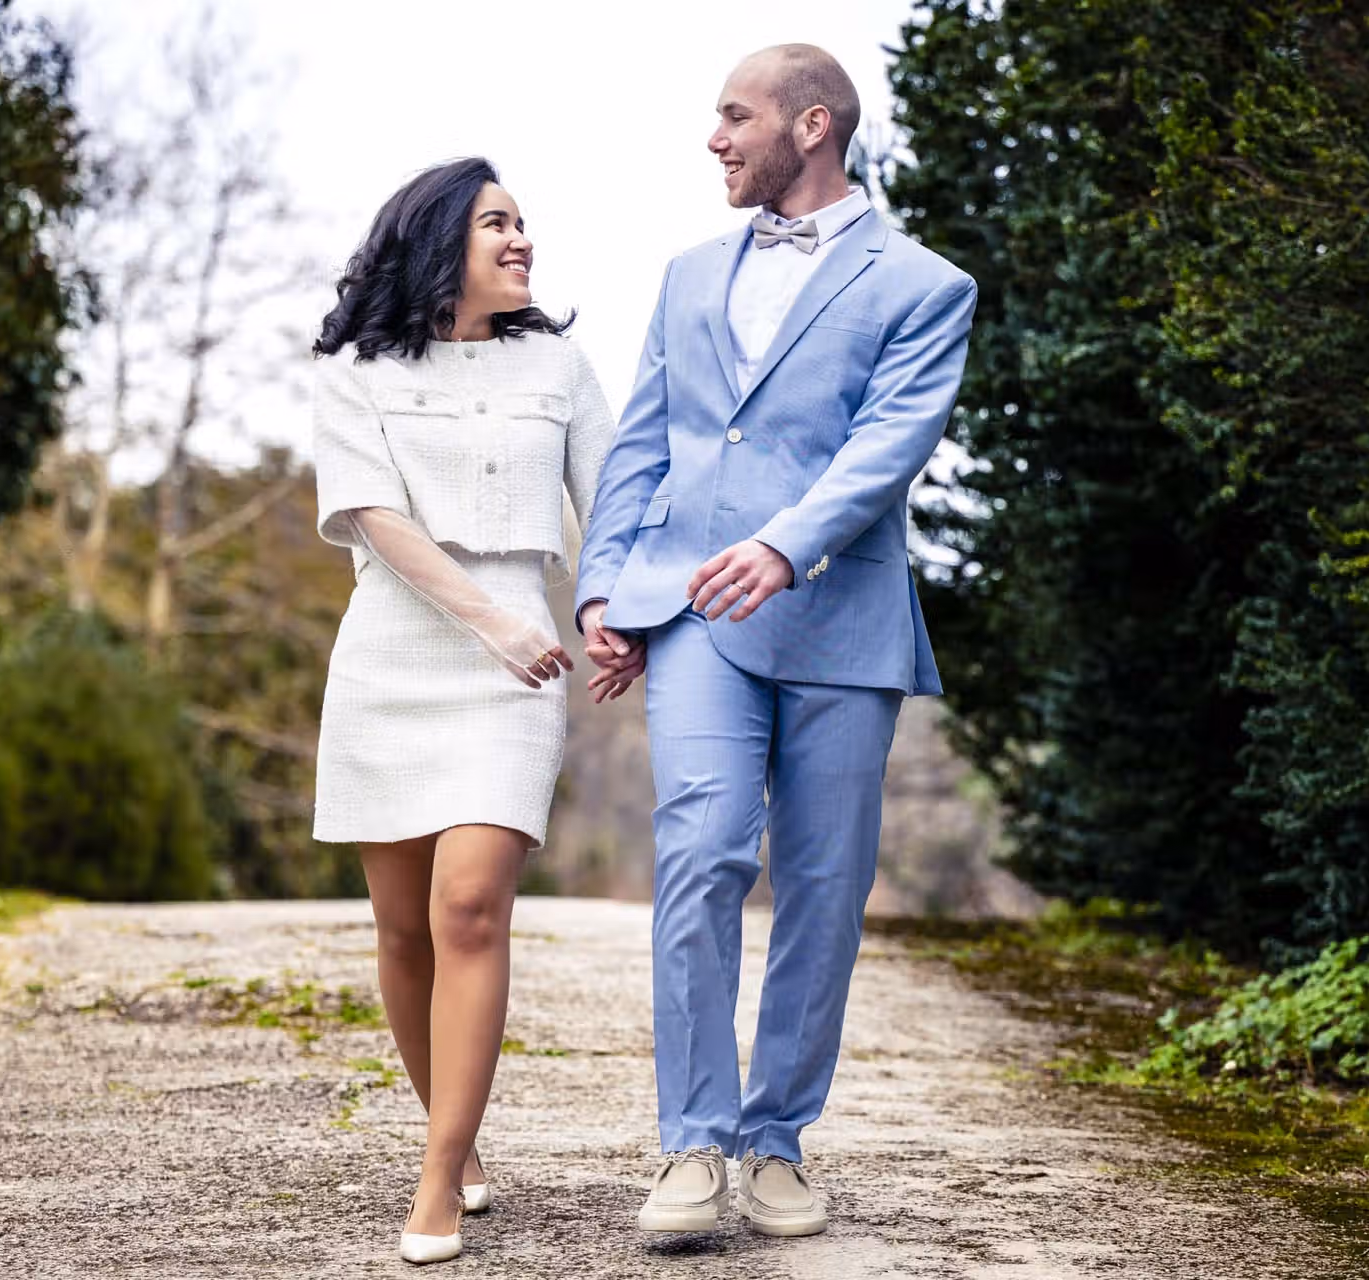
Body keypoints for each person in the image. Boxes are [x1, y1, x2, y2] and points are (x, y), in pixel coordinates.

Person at [575, 45, 977, 1238]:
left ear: (812, 125)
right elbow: (643, 442)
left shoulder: (925, 285)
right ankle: (691, 1144)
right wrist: (607, 588)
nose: (715, 137)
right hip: (695, 606)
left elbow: (888, 444)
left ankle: (776, 1137)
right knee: (701, 850)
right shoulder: (688, 275)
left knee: (824, 885)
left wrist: (788, 544)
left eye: (733, 115)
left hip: (842, 621)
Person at [309, 157, 622, 1265]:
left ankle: (439, 1174)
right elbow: (370, 515)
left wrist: (607, 609)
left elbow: (618, 500)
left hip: (517, 674)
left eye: (526, 221)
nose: (522, 238)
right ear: (439, 238)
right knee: (402, 930)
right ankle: (460, 1129)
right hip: (395, 657)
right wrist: (488, 616)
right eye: (498, 221)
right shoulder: (356, 369)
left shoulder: (559, 362)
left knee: (470, 908)